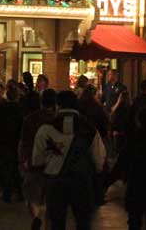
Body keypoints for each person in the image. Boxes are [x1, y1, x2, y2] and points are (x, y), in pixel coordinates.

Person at [32, 90, 106, 230]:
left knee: (57, 222)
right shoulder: (88, 128)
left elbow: (37, 159)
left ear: (57, 105)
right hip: (81, 180)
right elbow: (99, 157)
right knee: (83, 222)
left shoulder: (46, 128)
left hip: (55, 180)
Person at [20, 89, 58, 230]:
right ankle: (47, 226)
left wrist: (23, 160)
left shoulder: (30, 119)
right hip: (53, 163)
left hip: (33, 161)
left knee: (32, 197)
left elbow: (23, 142)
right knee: (50, 200)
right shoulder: (57, 119)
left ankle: (36, 217)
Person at [0, 85, 24, 202]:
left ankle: (7, 192)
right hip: (15, 141)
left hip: (4, 141)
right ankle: (19, 192)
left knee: (6, 167)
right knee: (16, 168)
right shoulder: (20, 109)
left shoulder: (2, 108)